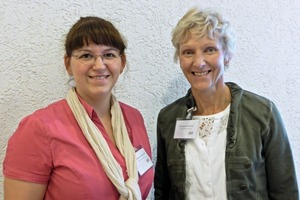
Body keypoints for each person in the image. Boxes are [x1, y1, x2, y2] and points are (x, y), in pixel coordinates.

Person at [154, 7, 299, 200]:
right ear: (179, 59)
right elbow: (163, 191)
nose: (199, 62)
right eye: (188, 52)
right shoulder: (168, 119)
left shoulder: (263, 113)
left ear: (227, 55)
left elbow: (285, 192)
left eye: (210, 49)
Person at [3, 16, 154, 200]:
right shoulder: (39, 128)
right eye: (86, 55)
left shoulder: (134, 118)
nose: (99, 65)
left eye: (109, 55)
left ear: (121, 62)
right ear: (68, 63)